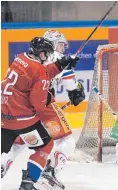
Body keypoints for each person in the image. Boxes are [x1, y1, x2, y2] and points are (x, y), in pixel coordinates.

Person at [1, 30, 85, 190]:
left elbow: (42, 73)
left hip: (12, 110)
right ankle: (49, 172)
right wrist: (77, 90)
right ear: (47, 48)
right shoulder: (52, 59)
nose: (62, 49)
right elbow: (70, 87)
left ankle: (3, 165)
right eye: (60, 45)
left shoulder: (20, 57)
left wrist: (60, 65)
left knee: (18, 144)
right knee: (66, 140)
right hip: (40, 108)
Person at [1, 37, 55, 190]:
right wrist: (49, 97)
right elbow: (38, 103)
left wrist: (58, 65)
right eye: (47, 54)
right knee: (46, 146)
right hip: (24, 121)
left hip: (4, 116)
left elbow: (29, 77)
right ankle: (28, 184)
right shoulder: (40, 70)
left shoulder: (19, 58)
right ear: (42, 53)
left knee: (3, 150)